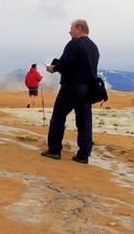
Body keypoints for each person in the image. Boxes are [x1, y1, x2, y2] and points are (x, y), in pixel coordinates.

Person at [41, 19, 99, 164]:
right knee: (85, 122)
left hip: (71, 87)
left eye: (71, 28)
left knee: (58, 118)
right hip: (88, 89)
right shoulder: (94, 47)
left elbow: (65, 64)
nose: (69, 31)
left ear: (79, 29)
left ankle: (54, 151)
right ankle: (83, 155)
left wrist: (53, 68)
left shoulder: (74, 43)